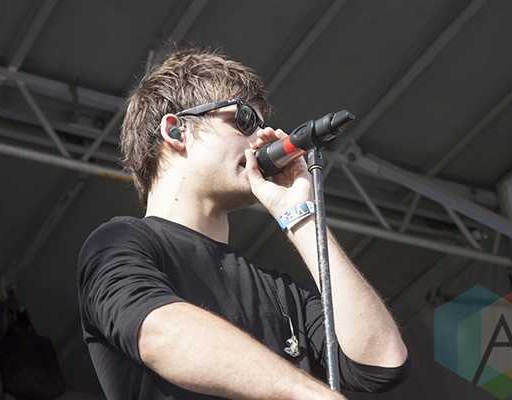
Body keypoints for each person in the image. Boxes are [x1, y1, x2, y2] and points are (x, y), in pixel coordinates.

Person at [78, 45, 412, 400]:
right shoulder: (120, 243)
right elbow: (159, 332)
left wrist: (301, 215)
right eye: (244, 120)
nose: (260, 139)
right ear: (176, 132)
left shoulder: (283, 294)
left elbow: (383, 362)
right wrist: (307, 394)